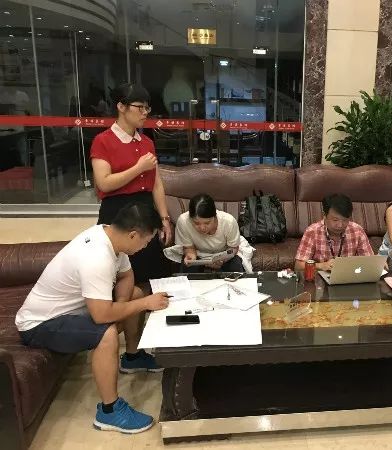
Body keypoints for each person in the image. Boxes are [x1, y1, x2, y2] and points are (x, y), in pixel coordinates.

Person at [15, 203, 170, 433]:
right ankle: (109, 411)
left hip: (71, 313)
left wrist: (124, 304)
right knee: (106, 334)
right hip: (40, 324)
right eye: (146, 241)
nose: (145, 247)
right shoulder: (96, 255)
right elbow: (101, 315)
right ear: (133, 235)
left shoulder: (111, 237)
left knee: (135, 294)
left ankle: (132, 357)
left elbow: (126, 276)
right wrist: (144, 304)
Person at [90, 82, 172, 284]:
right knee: (117, 275)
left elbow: (156, 184)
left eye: (147, 108)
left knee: (153, 275)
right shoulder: (103, 140)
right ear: (121, 106)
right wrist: (138, 168)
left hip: (145, 210)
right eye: (140, 107)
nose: (145, 113)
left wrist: (164, 218)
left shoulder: (147, 142)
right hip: (117, 212)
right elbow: (104, 183)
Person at [295, 193, 374, 271]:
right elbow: (298, 266)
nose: (340, 225)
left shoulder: (357, 230)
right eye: (335, 220)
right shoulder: (313, 231)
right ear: (325, 215)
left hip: (349, 275)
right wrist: (320, 266)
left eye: (345, 220)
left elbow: (370, 260)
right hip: (321, 276)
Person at [175, 193, 245, 272]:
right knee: (188, 269)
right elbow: (189, 247)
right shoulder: (183, 221)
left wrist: (222, 259)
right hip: (198, 254)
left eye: (207, 223)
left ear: (215, 216)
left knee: (235, 267)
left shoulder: (228, 222)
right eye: (196, 223)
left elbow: (233, 248)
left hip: (223, 254)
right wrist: (190, 255)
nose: (202, 228)